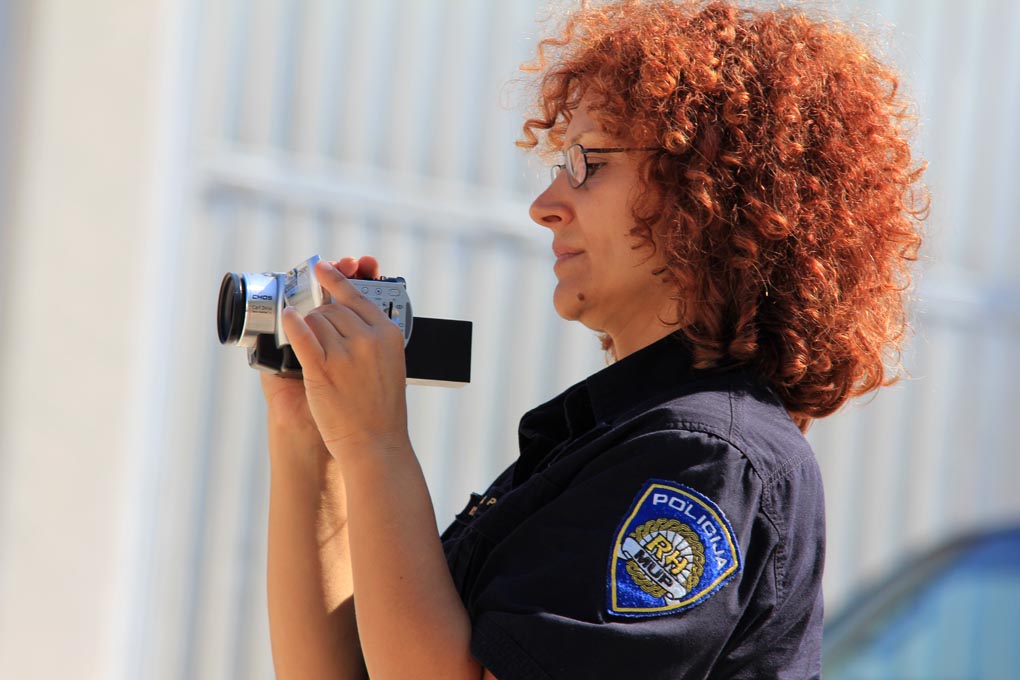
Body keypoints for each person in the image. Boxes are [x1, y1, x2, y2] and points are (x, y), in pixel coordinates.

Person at [261, 1, 926, 678]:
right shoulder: (611, 443)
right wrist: (308, 440)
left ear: (707, 192)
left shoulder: (700, 460)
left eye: (588, 162)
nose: (545, 203)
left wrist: (374, 444)